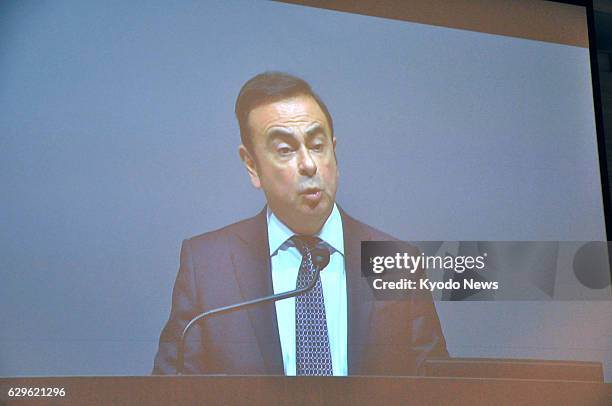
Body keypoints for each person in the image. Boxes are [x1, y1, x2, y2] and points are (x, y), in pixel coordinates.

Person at [153, 72, 447, 376]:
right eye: (285, 150)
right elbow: (170, 391)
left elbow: (435, 387)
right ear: (252, 165)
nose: (309, 164)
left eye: (318, 145)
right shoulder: (207, 265)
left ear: (334, 150)